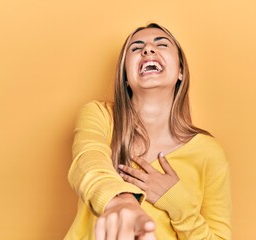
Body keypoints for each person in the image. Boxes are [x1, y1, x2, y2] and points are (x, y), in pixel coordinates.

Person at [64, 23, 232, 240]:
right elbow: (87, 161)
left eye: (161, 44)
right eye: (136, 48)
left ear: (181, 71)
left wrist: (175, 202)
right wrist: (120, 200)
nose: (148, 50)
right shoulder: (99, 116)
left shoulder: (209, 152)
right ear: (125, 75)